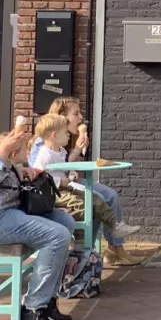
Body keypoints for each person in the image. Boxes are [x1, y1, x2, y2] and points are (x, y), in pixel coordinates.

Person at [28, 96, 135, 266]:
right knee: (94, 199)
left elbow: (63, 166)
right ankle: (87, 251)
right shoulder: (43, 145)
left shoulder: (61, 141)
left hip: (66, 183)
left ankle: (115, 247)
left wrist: (76, 154)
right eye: (76, 113)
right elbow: (42, 174)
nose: (80, 118)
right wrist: (75, 153)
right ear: (62, 117)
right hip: (56, 191)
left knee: (110, 194)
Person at [0, 129, 74, 320]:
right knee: (58, 236)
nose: (30, 153)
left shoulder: (8, 163)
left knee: (65, 222)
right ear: (14, 152)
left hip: (14, 212)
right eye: (26, 149)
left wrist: (21, 170)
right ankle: (34, 309)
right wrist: (2, 153)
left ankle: (48, 299)